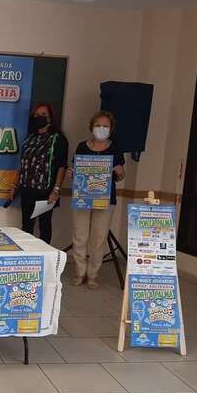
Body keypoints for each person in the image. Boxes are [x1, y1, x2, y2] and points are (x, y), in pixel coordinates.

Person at [69, 110, 125, 289]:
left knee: (99, 238)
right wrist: (72, 172)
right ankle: (80, 273)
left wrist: (119, 171)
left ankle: (92, 275)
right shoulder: (82, 147)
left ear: (111, 128)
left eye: (105, 126)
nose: (101, 128)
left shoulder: (115, 148)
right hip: (82, 198)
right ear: (91, 127)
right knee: (80, 236)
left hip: (105, 199)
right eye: (98, 125)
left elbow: (121, 176)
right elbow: (75, 170)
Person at [11, 103, 68, 244]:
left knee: (44, 225)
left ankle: (45, 254)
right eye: (37, 115)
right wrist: (14, 186)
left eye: (43, 115)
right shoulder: (29, 138)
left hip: (46, 190)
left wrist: (56, 190)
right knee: (26, 226)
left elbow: (61, 166)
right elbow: (23, 163)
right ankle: (26, 255)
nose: (40, 117)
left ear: (50, 118)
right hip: (27, 189)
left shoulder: (58, 138)